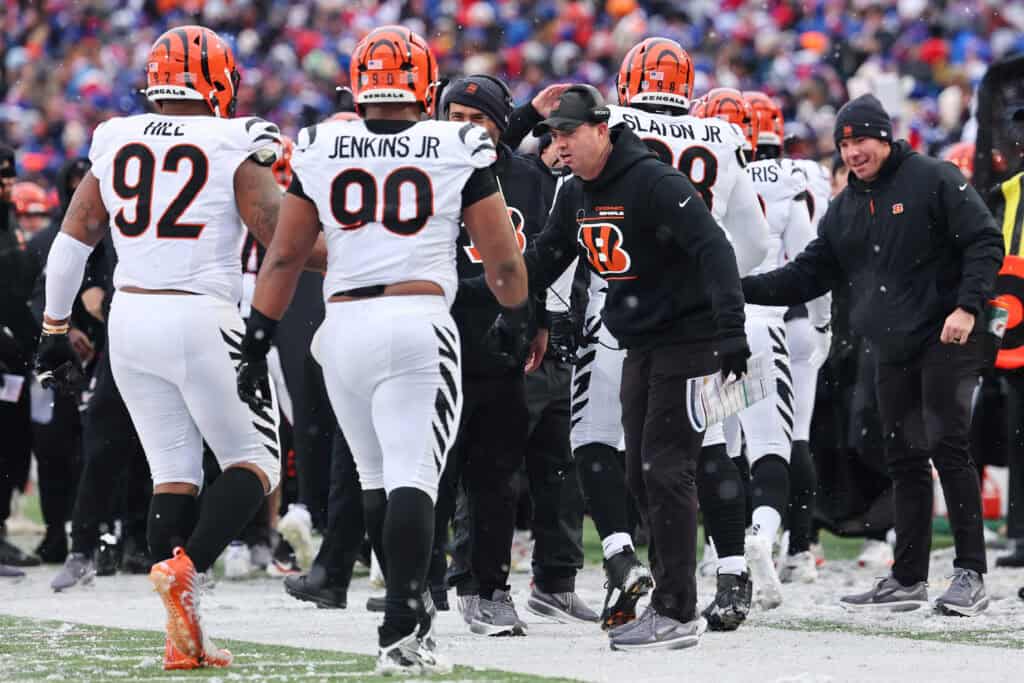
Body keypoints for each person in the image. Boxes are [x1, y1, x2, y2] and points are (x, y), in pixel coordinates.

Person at [235, 26, 528, 674]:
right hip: (416, 318)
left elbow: (284, 252)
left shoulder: (321, 142)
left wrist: (258, 333)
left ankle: (401, 614)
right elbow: (502, 255)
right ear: (425, 85)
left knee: (374, 478)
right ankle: (403, 623)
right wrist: (517, 310)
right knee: (414, 476)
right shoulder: (457, 142)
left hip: (341, 328)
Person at [34, 25, 321, 668]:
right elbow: (275, 231)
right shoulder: (232, 136)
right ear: (218, 79)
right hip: (200, 313)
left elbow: (73, 237)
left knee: (174, 471)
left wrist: (54, 328)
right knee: (256, 462)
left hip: (131, 318)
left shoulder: (115, 137)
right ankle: (186, 568)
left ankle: (181, 633)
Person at [500, 83, 750, 650]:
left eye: (568, 134)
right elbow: (543, 257)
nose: (559, 146)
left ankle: (678, 607)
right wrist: (507, 307)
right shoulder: (577, 190)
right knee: (642, 470)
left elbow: (717, 247)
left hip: (693, 339)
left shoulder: (654, 180)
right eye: (553, 135)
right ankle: (681, 591)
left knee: (671, 467)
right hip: (640, 341)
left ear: (601, 128)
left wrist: (733, 330)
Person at [742, 94, 1003, 616]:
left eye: (860, 139)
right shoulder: (846, 206)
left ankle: (970, 573)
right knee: (903, 456)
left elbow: (985, 241)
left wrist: (968, 308)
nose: (852, 152)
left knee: (946, 445)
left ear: (884, 137)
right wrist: (739, 288)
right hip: (893, 342)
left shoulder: (932, 178)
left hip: (948, 331)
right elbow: (807, 273)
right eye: (844, 143)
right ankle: (908, 578)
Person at [437, 74, 596, 633]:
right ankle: (423, 581)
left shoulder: (529, 178)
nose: (465, 130)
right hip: (434, 333)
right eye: (454, 118)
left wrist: (537, 321)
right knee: (430, 469)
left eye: (477, 120)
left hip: (502, 336)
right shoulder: (426, 167)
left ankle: (488, 587)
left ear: (499, 126)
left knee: (496, 472)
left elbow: (541, 260)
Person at [739, 90, 832, 591]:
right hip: (786, 316)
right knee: (791, 436)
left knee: (728, 439)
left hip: (724, 319)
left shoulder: (715, 173)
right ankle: (798, 547)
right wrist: (823, 323)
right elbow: (809, 257)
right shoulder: (802, 176)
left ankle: (725, 549)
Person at [0, 143, 42, 570]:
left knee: (12, 446)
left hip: (13, 355)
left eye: (10, 174)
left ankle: (1, 532)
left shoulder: (9, 221)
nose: (7, 182)